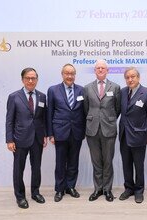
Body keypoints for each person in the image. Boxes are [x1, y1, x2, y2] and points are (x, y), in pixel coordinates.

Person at [5, 67, 47, 209]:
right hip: (19, 139)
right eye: (28, 78)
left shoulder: (42, 96)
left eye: (33, 78)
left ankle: (35, 192)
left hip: (37, 139)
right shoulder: (14, 97)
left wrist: (45, 135)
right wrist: (9, 140)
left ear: (37, 79)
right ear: (22, 79)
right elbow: (9, 120)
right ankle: (20, 196)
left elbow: (43, 119)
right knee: (19, 169)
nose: (31, 80)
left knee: (36, 168)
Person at [47, 64, 85, 202]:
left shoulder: (82, 90)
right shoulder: (53, 90)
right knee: (60, 162)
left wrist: (85, 131)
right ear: (62, 74)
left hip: (77, 132)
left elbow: (84, 112)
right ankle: (59, 189)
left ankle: (70, 187)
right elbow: (49, 112)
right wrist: (50, 133)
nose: (70, 76)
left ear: (75, 75)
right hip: (60, 132)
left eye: (72, 74)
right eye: (67, 73)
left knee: (74, 162)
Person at [118, 67, 147, 203]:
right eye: (127, 77)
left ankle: (139, 191)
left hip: (140, 136)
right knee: (126, 164)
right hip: (124, 135)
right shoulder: (122, 92)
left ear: (138, 77)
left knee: (138, 165)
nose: (130, 79)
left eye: (133, 76)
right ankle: (129, 188)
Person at [84, 59, 121, 202]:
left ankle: (107, 190)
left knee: (108, 161)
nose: (100, 70)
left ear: (107, 70)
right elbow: (85, 109)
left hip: (109, 129)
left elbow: (117, 109)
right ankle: (98, 189)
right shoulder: (87, 88)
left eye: (103, 68)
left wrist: (109, 119)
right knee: (96, 161)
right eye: (98, 68)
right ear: (95, 71)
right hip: (92, 130)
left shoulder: (115, 87)